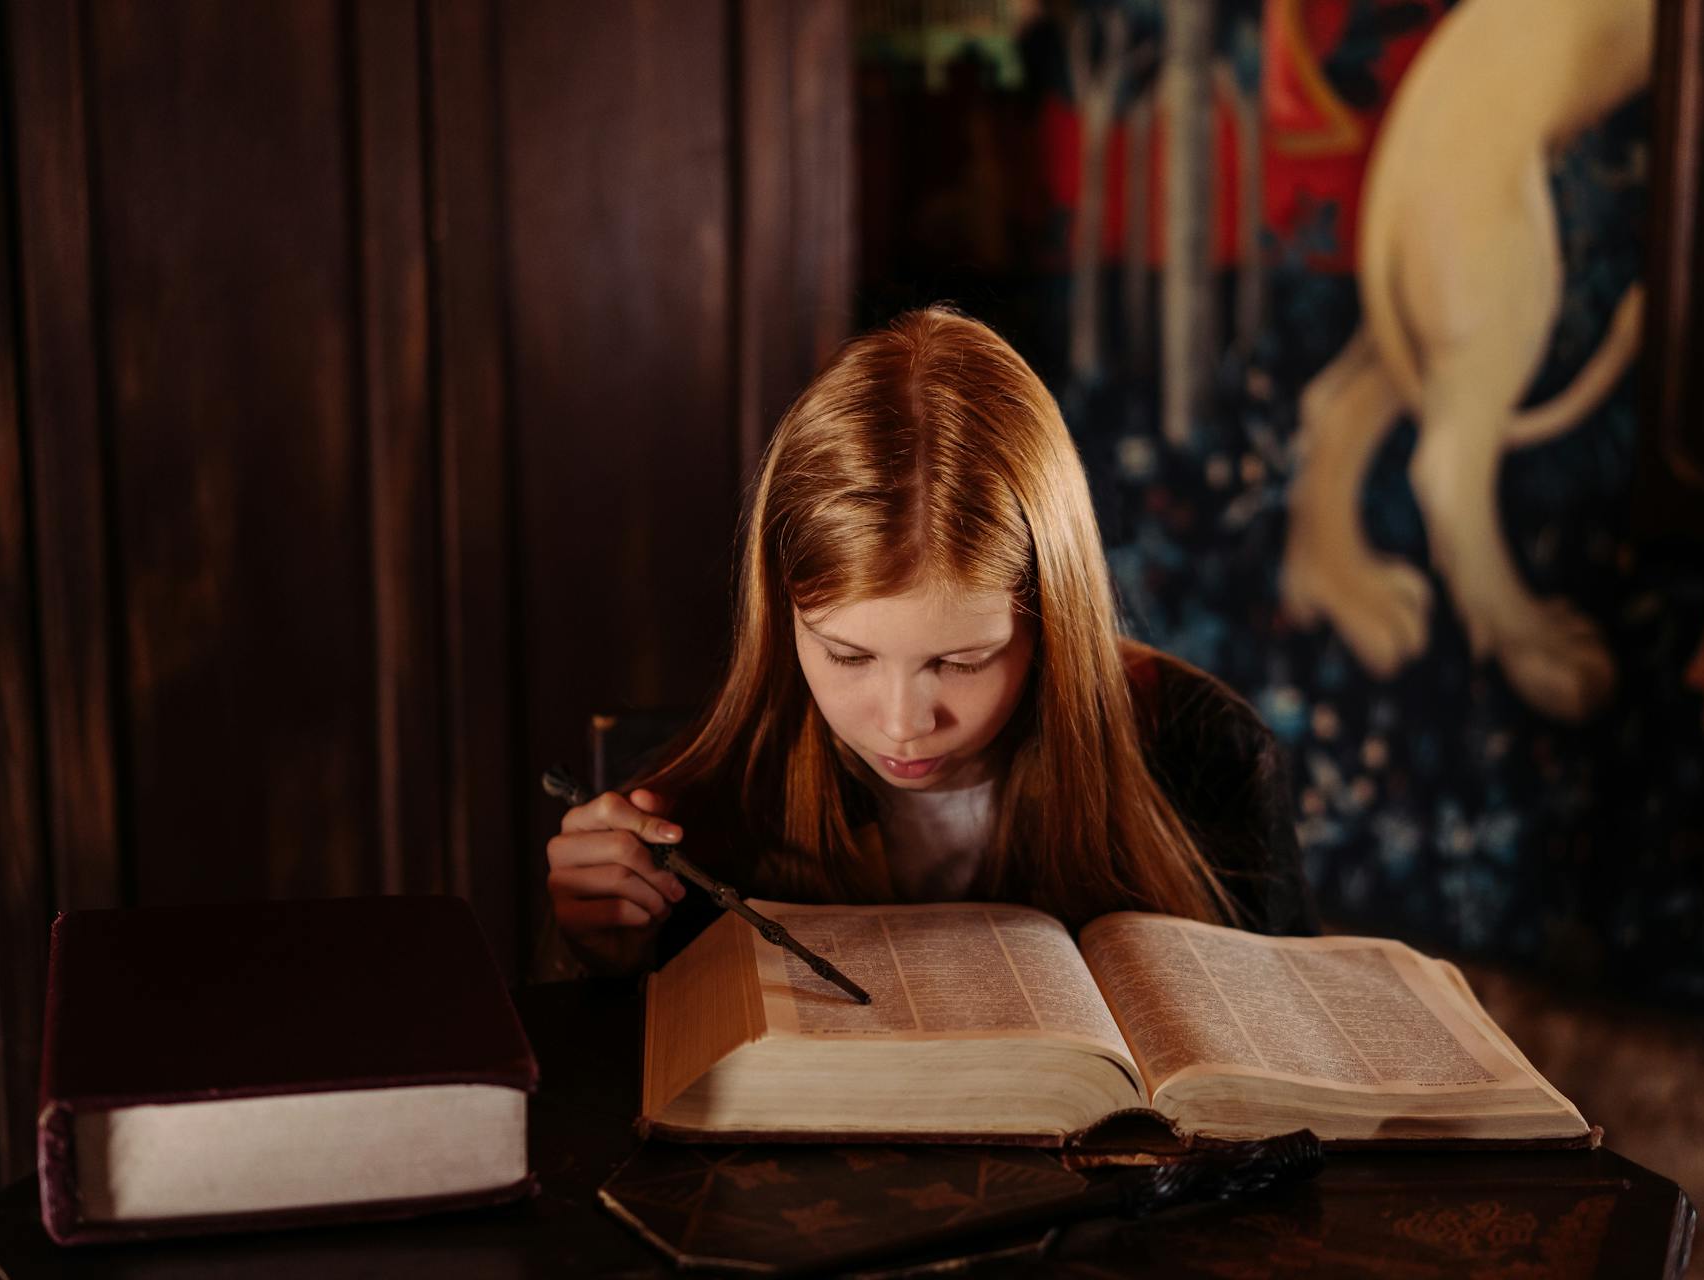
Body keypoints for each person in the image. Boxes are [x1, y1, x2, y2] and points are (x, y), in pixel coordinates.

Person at [547, 305, 1316, 977]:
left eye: (959, 661)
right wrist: (606, 957)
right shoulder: (706, 809)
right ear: (781, 616)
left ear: (1055, 624)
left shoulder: (1208, 757)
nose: (904, 723)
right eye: (847, 656)